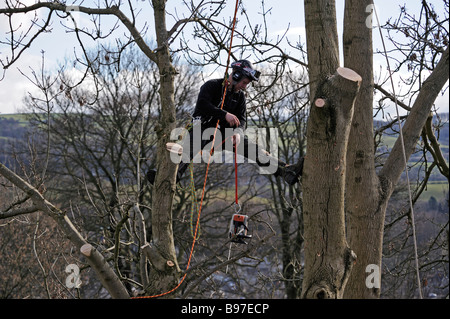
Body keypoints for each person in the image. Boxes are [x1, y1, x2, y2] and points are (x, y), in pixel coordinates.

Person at [147, 60, 303, 185]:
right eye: (243, 82)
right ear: (235, 76)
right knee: (187, 149)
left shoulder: (240, 97)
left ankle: (286, 172)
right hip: (202, 128)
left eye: (246, 84)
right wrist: (224, 114)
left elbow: (242, 119)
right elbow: (203, 105)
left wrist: (238, 133)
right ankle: (166, 177)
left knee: (254, 150)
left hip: (224, 135)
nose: (244, 86)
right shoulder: (212, 86)